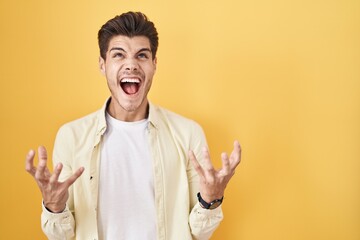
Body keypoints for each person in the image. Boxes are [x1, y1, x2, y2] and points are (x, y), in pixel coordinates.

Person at [25, 11, 241, 240]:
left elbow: (200, 232)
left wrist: (211, 200)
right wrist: (53, 207)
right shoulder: (71, 137)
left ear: (154, 64)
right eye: (118, 55)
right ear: (102, 64)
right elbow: (60, 236)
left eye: (142, 56)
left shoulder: (187, 134)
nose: (131, 65)